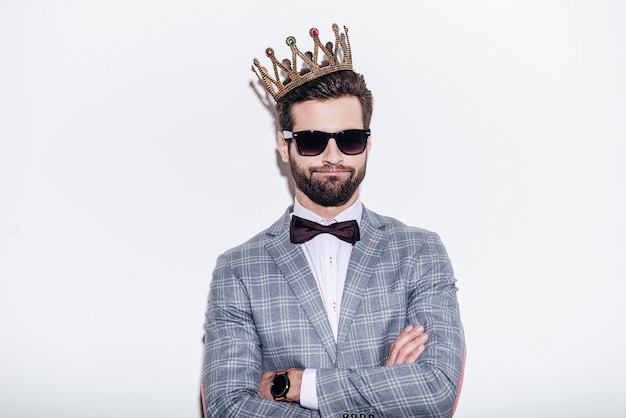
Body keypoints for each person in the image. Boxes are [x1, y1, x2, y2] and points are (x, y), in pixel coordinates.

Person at [202, 23, 465, 418]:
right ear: (284, 144)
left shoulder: (421, 251)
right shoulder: (237, 269)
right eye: (312, 140)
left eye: (350, 139)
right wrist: (385, 389)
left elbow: (437, 389)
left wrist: (290, 384)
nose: (332, 156)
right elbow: (228, 407)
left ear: (368, 144)